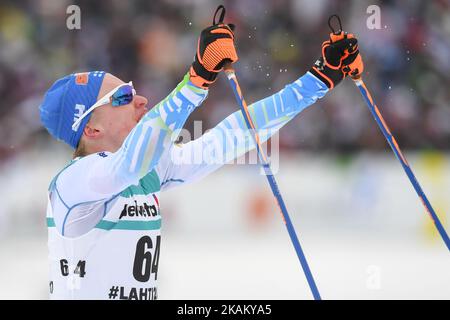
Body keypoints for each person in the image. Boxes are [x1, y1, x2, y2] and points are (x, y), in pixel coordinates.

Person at [39, 18, 363, 299]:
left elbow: (230, 137)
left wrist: (318, 80)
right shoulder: (75, 183)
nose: (140, 100)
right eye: (122, 97)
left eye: (132, 89)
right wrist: (197, 79)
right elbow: (129, 164)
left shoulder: (147, 171)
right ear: (91, 129)